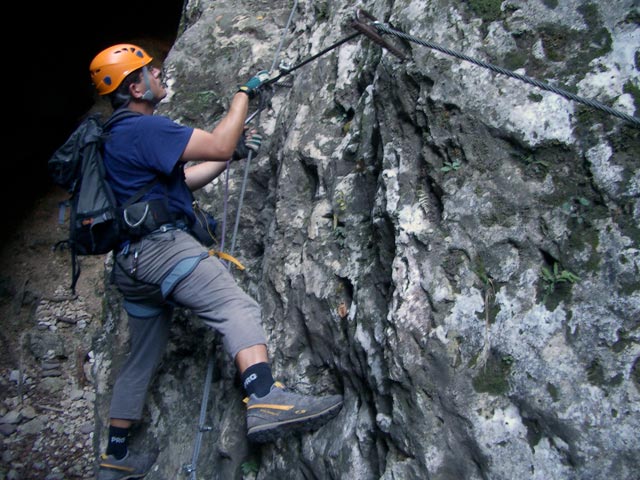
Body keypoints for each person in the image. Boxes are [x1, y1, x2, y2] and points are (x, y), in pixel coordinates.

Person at [88, 44, 343, 480]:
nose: (158, 73)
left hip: (131, 266)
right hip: (162, 249)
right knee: (235, 306)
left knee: (142, 355)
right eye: (150, 70)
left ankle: (115, 452)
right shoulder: (144, 129)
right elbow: (220, 141)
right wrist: (243, 94)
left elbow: (186, 177)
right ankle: (265, 396)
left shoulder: (116, 137)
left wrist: (232, 157)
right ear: (135, 86)